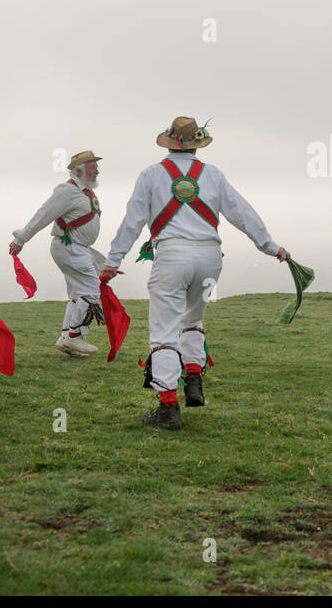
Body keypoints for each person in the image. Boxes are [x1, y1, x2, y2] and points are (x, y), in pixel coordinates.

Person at [100, 117, 288, 430]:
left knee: (164, 331)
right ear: (197, 144)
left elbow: (132, 222)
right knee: (192, 320)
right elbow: (241, 213)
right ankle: (194, 380)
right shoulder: (212, 175)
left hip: (172, 256)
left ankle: (169, 408)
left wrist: (112, 259)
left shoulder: (150, 175)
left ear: (170, 141)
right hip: (211, 258)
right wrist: (270, 246)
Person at [10, 150, 105, 357]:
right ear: (79, 170)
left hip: (78, 248)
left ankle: (65, 338)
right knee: (91, 290)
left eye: (96, 166)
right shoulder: (66, 191)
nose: (96, 170)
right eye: (92, 166)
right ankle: (74, 337)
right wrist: (21, 239)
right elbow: (43, 215)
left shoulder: (84, 191)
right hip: (70, 248)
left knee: (77, 293)